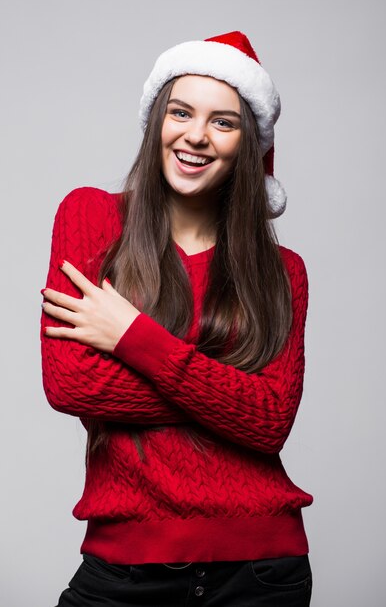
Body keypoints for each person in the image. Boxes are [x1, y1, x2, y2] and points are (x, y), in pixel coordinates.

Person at [41, 31, 313, 607]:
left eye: (223, 122)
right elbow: (71, 383)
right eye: (181, 112)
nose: (195, 135)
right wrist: (230, 397)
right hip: (124, 567)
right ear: (156, 123)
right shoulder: (91, 217)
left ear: (248, 144)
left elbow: (271, 423)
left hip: (261, 569)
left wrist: (132, 337)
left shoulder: (282, 271)